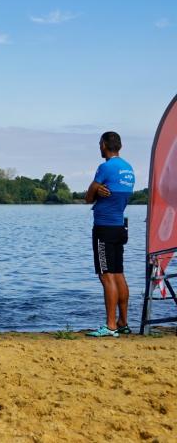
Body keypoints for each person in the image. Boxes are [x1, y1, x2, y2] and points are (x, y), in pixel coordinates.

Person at [85, 131, 135, 338]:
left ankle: (111, 326)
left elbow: (88, 198)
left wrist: (96, 189)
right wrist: (100, 190)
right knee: (118, 274)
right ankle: (123, 322)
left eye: (100, 143)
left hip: (104, 228)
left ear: (104, 145)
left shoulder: (105, 167)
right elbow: (119, 195)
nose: (99, 147)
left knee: (106, 276)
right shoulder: (129, 169)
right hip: (119, 226)